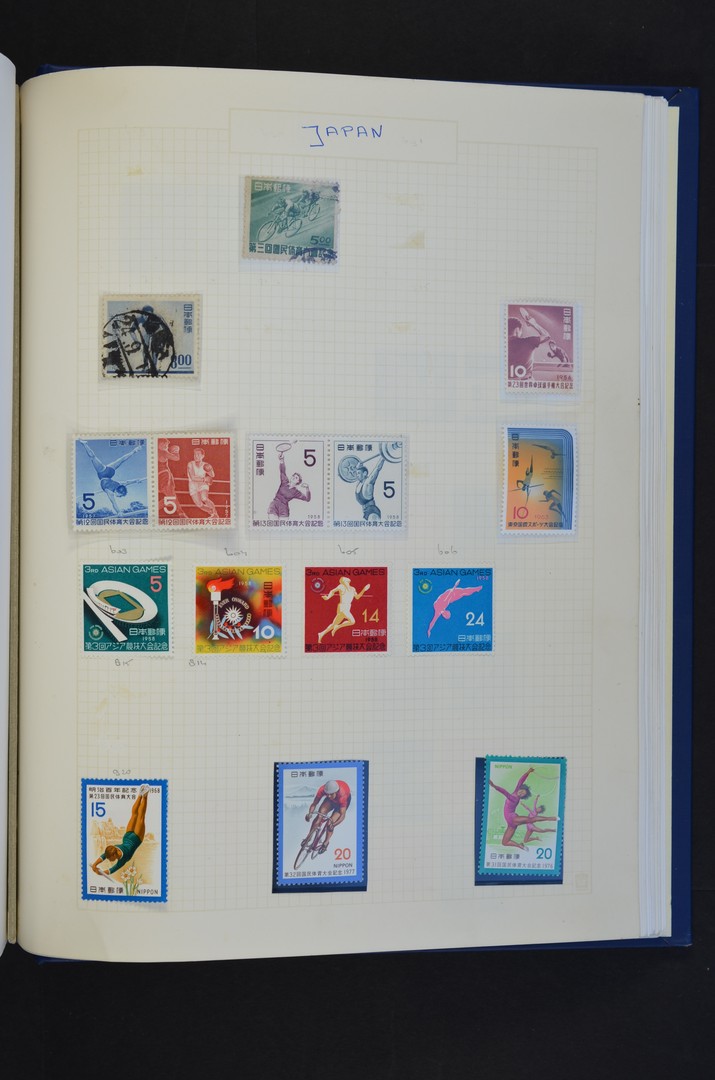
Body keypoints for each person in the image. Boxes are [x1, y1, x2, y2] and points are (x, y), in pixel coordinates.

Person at [488, 767, 558, 850]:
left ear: (522, 797)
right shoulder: (516, 791)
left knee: (531, 819)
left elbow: (505, 792)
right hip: (511, 823)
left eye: (522, 794)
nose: (520, 793)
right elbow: (521, 781)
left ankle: (552, 818)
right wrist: (528, 772)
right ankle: (520, 846)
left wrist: (494, 786)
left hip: (513, 818)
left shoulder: (514, 798)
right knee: (504, 842)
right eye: (521, 791)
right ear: (520, 788)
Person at [91, 785, 150, 877]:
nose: (109, 860)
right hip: (127, 837)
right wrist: (94, 865)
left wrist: (100, 873)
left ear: (114, 855)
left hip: (136, 838)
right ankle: (140, 795)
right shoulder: (113, 848)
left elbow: (112, 869)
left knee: (140, 816)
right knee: (135, 815)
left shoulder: (123, 858)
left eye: (110, 858)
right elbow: (104, 855)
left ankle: (144, 795)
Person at [79, 439, 145, 516]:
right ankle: (85, 444)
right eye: (120, 496)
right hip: (102, 472)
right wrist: (119, 512)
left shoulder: (119, 485)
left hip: (110, 472)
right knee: (93, 457)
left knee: (122, 459)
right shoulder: (110, 492)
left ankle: (134, 451)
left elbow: (127, 482)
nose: (119, 497)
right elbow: (114, 503)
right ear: (118, 492)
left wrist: (136, 480)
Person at [301, 778, 351, 854]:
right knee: (319, 816)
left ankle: (325, 843)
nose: (329, 796)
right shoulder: (323, 790)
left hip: (340, 804)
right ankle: (309, 837)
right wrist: (310, 813)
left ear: (336, 791)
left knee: (330, 823)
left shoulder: (342, 795)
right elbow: (314, 803)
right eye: (327, 794)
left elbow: (342, 815)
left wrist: (334, 825)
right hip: (331, 801)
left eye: (331, 794)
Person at [318, 576, 369, 642]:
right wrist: (328, 597)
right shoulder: (341, 586)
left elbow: (357, 597)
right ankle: (338, 627)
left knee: (333, 624)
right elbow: (332, 591)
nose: (347, 578)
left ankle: (321, 634)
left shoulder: (353, 589)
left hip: (347, 608)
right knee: (352, 621)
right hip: (342, 607)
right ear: (343, 581)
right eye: (345, 578)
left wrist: (364, 590)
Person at [507, 309, 550, 380]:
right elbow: (546, 336)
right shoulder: (528, 342)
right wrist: (533, 323)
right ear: (517, 330)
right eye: (521, 330)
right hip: (526, 382)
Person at [268, 449, 311, 517]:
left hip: (284, 509)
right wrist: (282, 461)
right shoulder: (284, 481)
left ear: (298, 482)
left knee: (284, 523)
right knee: (272, 522)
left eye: (296, 477)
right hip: (274, 504)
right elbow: (282, 471)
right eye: (293, 476)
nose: (293, 477)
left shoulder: (296, 492)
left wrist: (307, 488)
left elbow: (307, 499)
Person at [156, 438, 188, 517]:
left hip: (158, 477)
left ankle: (154, 508)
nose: (166, 447)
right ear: (161, 444)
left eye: (167, 445)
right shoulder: (163, 452)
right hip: (164, 476)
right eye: (165, 445)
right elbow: (176, 458)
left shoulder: (155, 452)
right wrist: (176, 451)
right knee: (171, 497)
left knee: (170, 498)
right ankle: (181, 513)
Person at [187, 447, 219, 520]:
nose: (196, 456)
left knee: (204, 498)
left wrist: (210, 469)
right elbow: (193, 478)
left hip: (202, 484)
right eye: (195, 454)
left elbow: (212, 475)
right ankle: (211, 513)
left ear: (202, 456)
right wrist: (205, 479)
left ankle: (215, 514)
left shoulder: (205, 465)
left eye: (198, 454)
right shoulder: (190, 464)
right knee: (199, 504)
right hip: (193, 485)